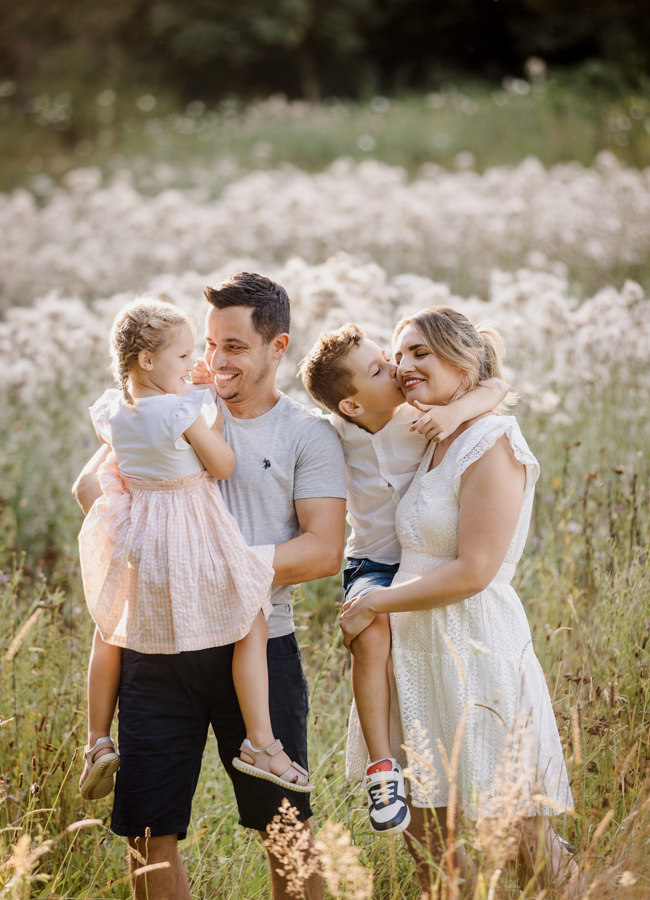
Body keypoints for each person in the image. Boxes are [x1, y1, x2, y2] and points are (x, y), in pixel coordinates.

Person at [73, 273, 347, 900]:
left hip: (256, 643)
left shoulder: (307, 435)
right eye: (208, 343)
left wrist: (212, 573)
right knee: (147, 832)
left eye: (234, 347)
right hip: (157, 648)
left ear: (277, 347)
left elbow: (324, 550)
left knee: (284, 829)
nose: (213, 360)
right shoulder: (166, 403)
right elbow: (90, 491)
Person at [340, 306, 577, 896]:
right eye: (400, 356)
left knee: (523, 841)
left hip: (475, 647)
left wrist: (377, 604)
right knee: (432, 854)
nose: (405, 366)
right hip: (415, 652)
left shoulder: (493, 442)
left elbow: (474, 570)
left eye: (420, 352)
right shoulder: (430, 436)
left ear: (463, 360)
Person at [77, 297, 313, 805]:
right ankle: (261, 741)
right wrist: (208, 414)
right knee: (251, 616)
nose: (195, 366)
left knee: (110, 628)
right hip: (192, 536)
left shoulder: (116, 410)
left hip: (140, 539)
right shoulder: (182, 409)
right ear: (146, 359)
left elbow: (92, 483)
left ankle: (97, 739)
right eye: (187, 356)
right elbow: (222, 465)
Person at [298, 323, 507, 835]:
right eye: (378, 368)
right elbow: (274, 418)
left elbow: (495, 386)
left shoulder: (422, 412)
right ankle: (382, 769)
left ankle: (512, 811)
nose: (394, 367)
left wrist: (456, 410)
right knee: (367, 635)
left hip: (425, 559)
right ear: (349, 405)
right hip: (372, 562)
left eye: (389, 357)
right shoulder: (330, 434)